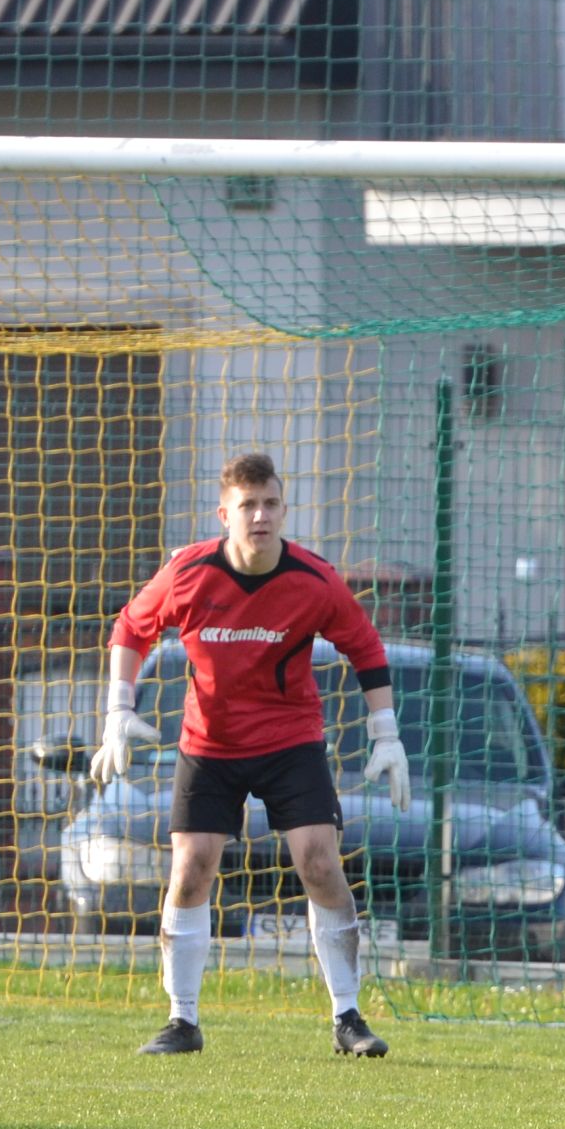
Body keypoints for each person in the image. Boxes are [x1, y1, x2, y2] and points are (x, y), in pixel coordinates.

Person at [89, 452, 412, 1058]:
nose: (259, 516)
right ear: (225, 514)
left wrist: (386, 734)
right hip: (209, 743)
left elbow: (365, 645)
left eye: (269, 504)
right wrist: (116, 712)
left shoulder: (314, 579)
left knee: (319, 863)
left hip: (291, 740)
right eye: (247, 505)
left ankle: (348, 1018)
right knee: (191, 868)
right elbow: (131, 628)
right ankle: (182, 1021)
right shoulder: (188, 573)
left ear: (283, 510)